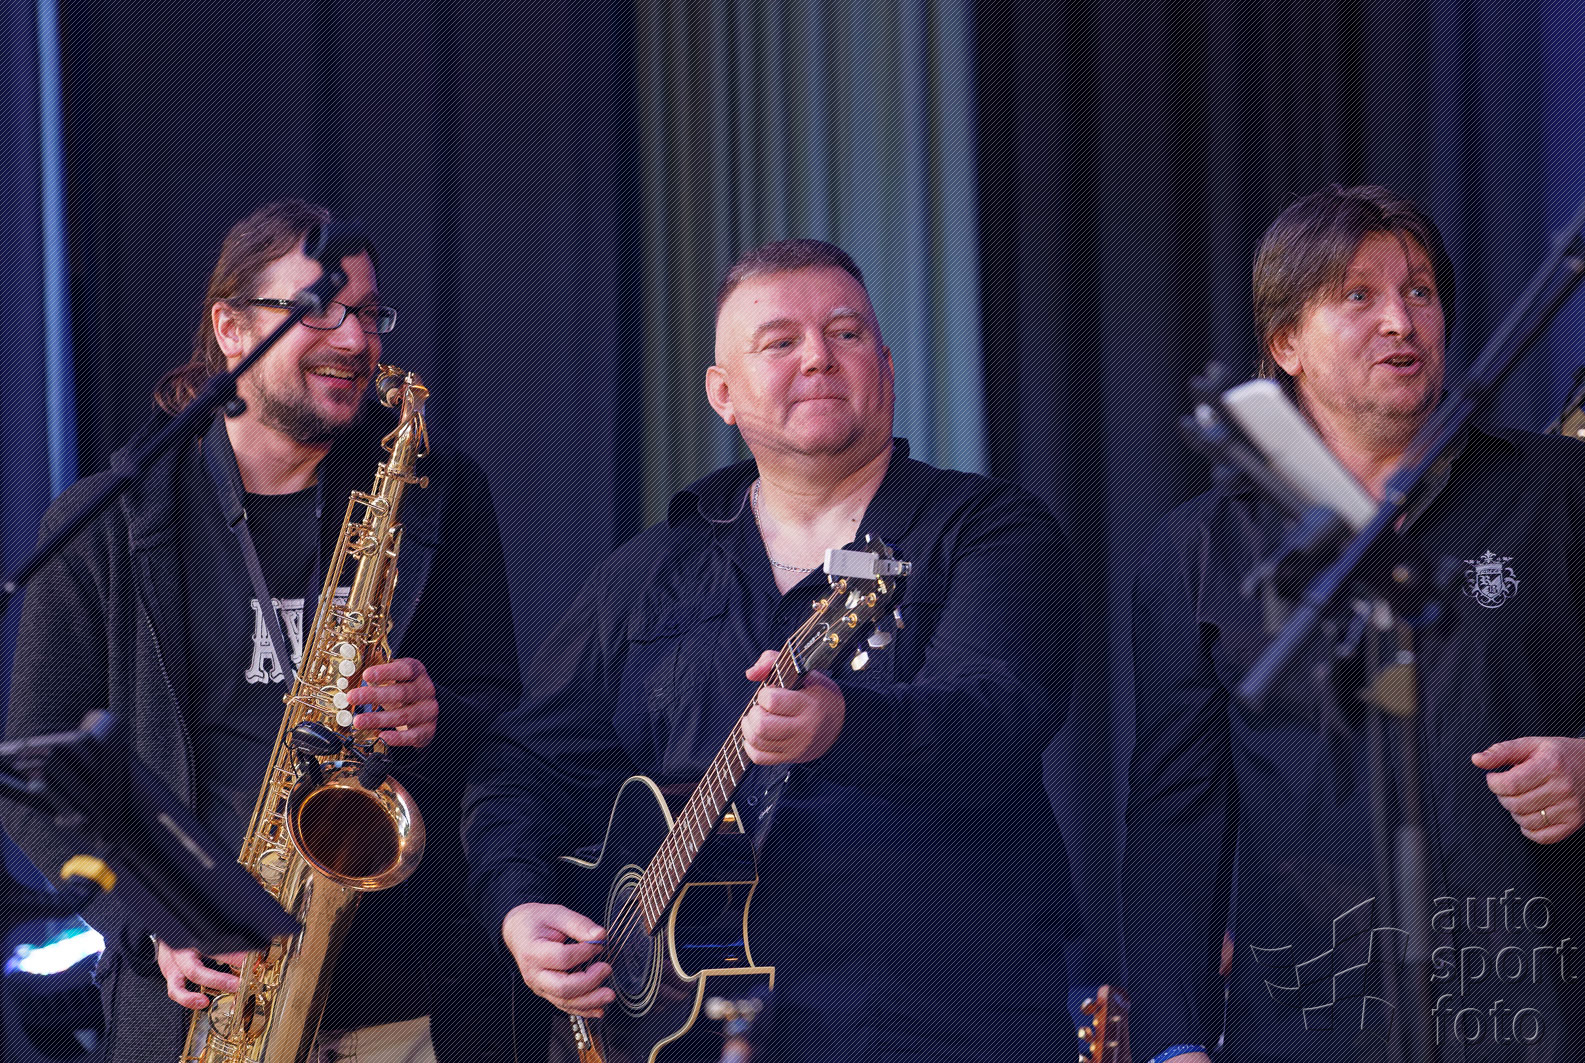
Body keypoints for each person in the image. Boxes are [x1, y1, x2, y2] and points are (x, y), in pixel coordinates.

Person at [463, 238, 1077, 1061]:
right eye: (780, 341)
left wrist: (845, 724)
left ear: (887, 368)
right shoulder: (647, 573)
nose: (818, 357)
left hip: (934, 1026)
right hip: (686, 1041)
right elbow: (522, 767)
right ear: (722, 393)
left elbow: (998, 717)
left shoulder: (989, 531)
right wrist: (517, 906)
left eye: (845, 334)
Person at [1, 200, 523, 1062]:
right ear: (231, 327)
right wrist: (144, 927)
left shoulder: (438, 491)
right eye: (318, 308)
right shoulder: (105, 523)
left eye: (368, 313)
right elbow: (34, 770)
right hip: (203, 1011)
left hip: (406, 1008)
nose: (354, 340)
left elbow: (504, 721)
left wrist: (440, 717)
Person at [1123, 184, 1585, 1062]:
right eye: (1356, 295)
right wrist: (1173, 1043)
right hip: (1314, 1024)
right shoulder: (1201, 549)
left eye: (1419, 291)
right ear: (1284, 344)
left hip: (1546, 1014)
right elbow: (1174, 819)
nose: (1398, 321)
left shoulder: (1563, 491)